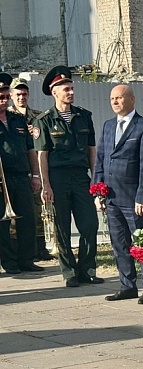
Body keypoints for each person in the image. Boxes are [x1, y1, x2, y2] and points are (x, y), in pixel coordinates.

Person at [32, 66, 102, 287]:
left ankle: (88, 269)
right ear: (55, 92)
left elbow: (92, 150)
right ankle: (70, 272)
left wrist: (95, 178)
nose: (71, 92)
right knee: (61, 228)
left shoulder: (84, 116)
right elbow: (42, 155)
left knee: (89, 224)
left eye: (72, 88)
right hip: (58, 179)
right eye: (66, 89)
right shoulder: (44, 120)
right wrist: (46, 185)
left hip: (81, 178)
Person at [93, 84, 143, 304]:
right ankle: (127, 285)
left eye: (119, 98)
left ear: (132, 99)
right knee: (119, 243)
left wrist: (142, 196)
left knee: (141, 242)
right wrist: (98, 189)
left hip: (133, 198)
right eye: (112, 98)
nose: (115, 102)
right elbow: (101, 159)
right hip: (111, 196)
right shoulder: (108, 126)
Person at [0, 73, 42, 275]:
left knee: (28, 219)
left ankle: (27, 260)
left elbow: (30, 149)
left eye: (5, 95)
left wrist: (35, 175)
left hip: (21, 176)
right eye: (0, 95)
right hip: (2, 179)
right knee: (3, 223)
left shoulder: (17, 119)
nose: (4, 99)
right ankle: (9, 262)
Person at [8, 77, 52, 262]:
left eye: (24, 94)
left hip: (35, 167)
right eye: (18, 94)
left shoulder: (37, 116)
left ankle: (39, 248)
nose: (21, 97)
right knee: (14, 216)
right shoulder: (7, 116)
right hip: (16, 168)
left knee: (38, 208)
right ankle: (17, 250)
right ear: (11, 96)